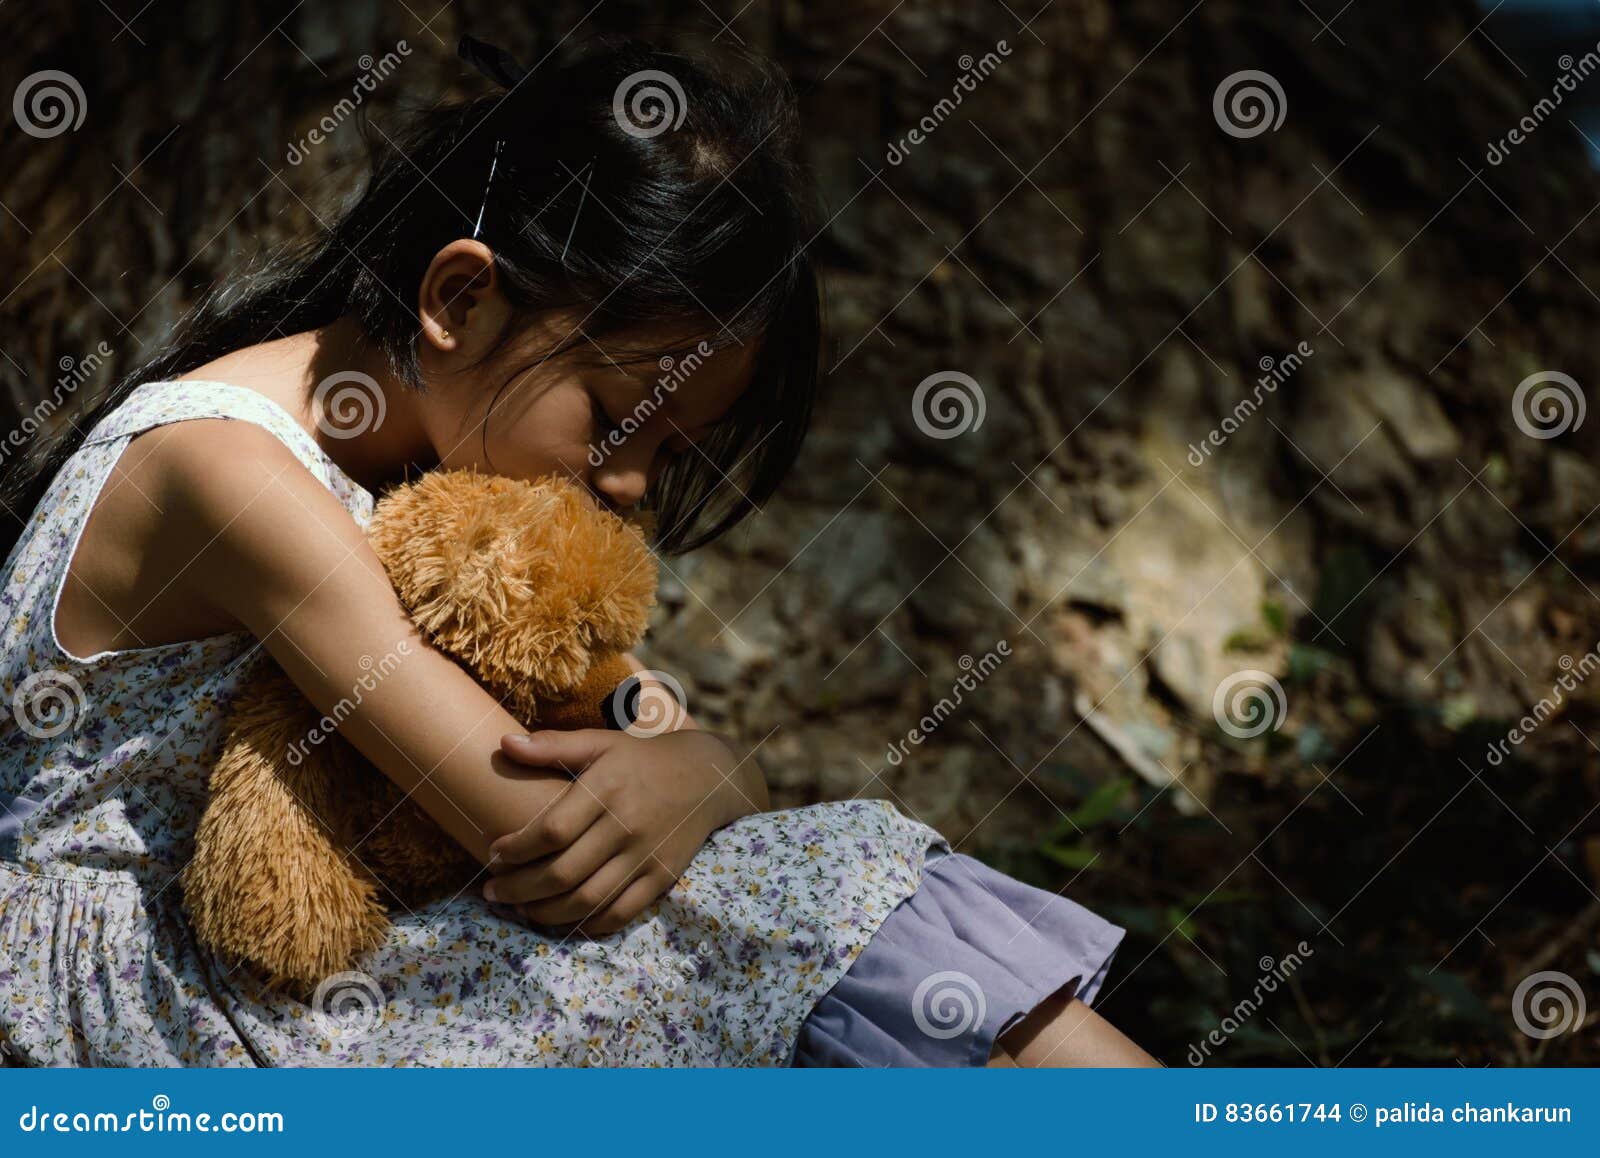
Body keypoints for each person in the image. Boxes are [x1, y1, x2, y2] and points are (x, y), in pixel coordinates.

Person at [0, 35, 1155, 1068]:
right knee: (825, 895)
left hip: (289, 971)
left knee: (817, 893)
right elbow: (524, 816)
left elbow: (626, 727)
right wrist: (709, 781)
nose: (631, 482)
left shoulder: (434, 465)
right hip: (146, 1011)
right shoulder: (224, 472)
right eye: (614, 415)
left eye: (672, 447)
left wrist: (717, 771)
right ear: (461, 296)